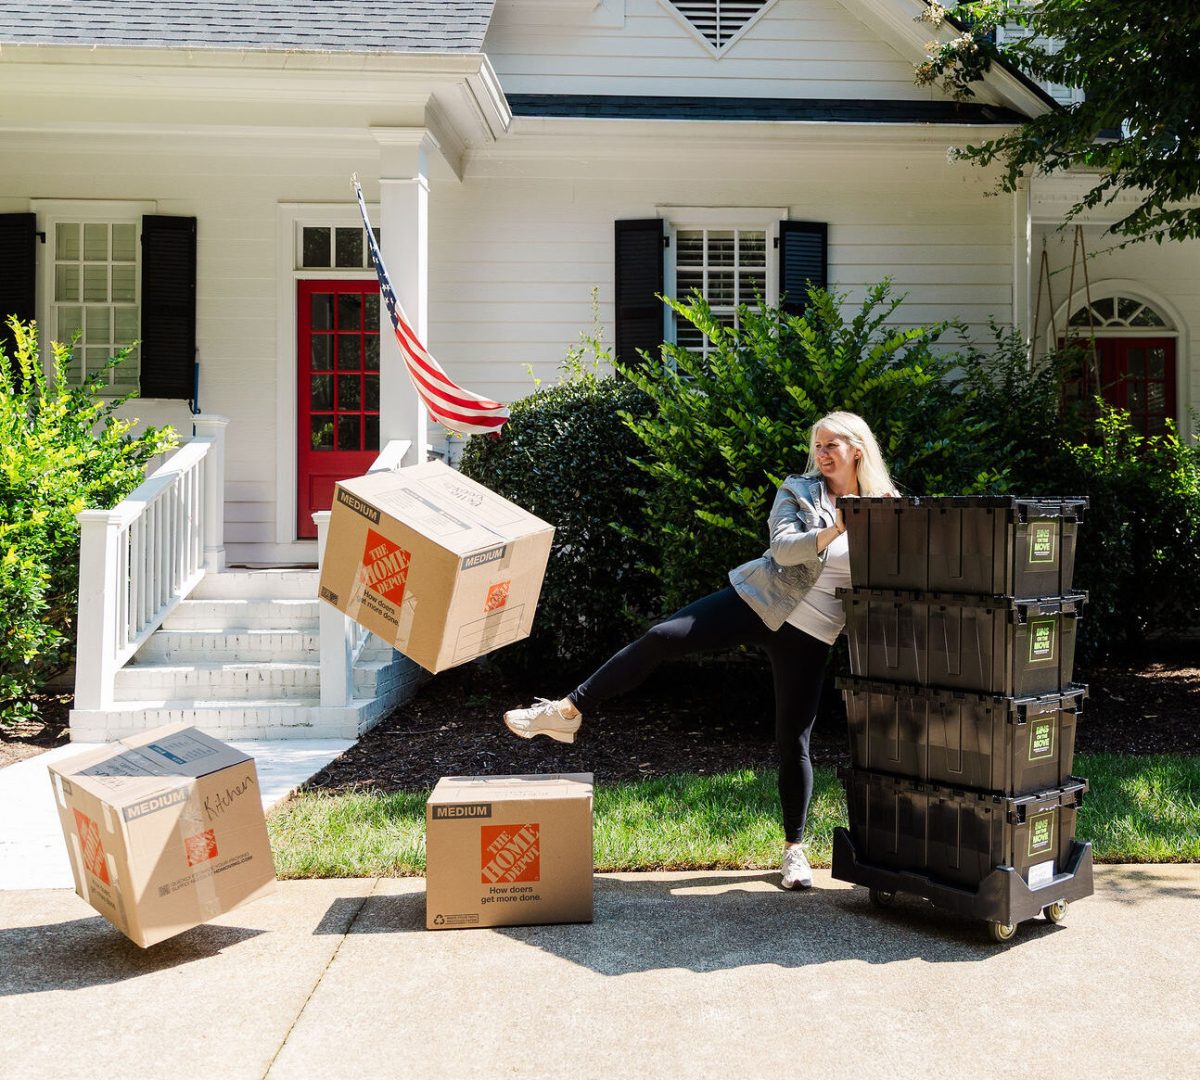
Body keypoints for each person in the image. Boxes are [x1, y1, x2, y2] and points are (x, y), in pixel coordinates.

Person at [503, 411, 897, 890]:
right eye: (816, 445)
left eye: (830, 445)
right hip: (760, 599)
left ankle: (794, 850)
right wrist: (835, 528)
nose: (821, 454)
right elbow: (783, 550)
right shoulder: (799, 490)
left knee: (793, 739)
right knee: (663, 637)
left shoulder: (887, 507)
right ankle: (569, 710)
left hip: (812, 632)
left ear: (857, 448)